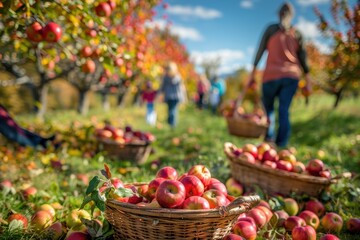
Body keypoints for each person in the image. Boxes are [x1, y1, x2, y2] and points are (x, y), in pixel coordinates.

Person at [248, 2, 312, 147]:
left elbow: (259, 52)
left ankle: (269, 141)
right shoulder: (297, 34)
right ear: (292, 16)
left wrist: (252, 74)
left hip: (270, 76)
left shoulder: (271, 29)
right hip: (290, 76)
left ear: (279, 14)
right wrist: (308, 81)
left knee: (268, 109)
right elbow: (303, 60)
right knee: (284, 110)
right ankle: (281, 144)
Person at [159, 62, 185, 128]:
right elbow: (163, 87)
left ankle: (172, 124)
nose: (169, 73)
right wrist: (161, 94)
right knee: (169, 109)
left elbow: (181, 88)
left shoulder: (178, 77)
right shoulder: (165, 78)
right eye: (168, 71)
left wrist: (183, 97)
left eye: (171, 71)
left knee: (173, 110)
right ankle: (170, 122)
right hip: (168, 96)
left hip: (175, 96)